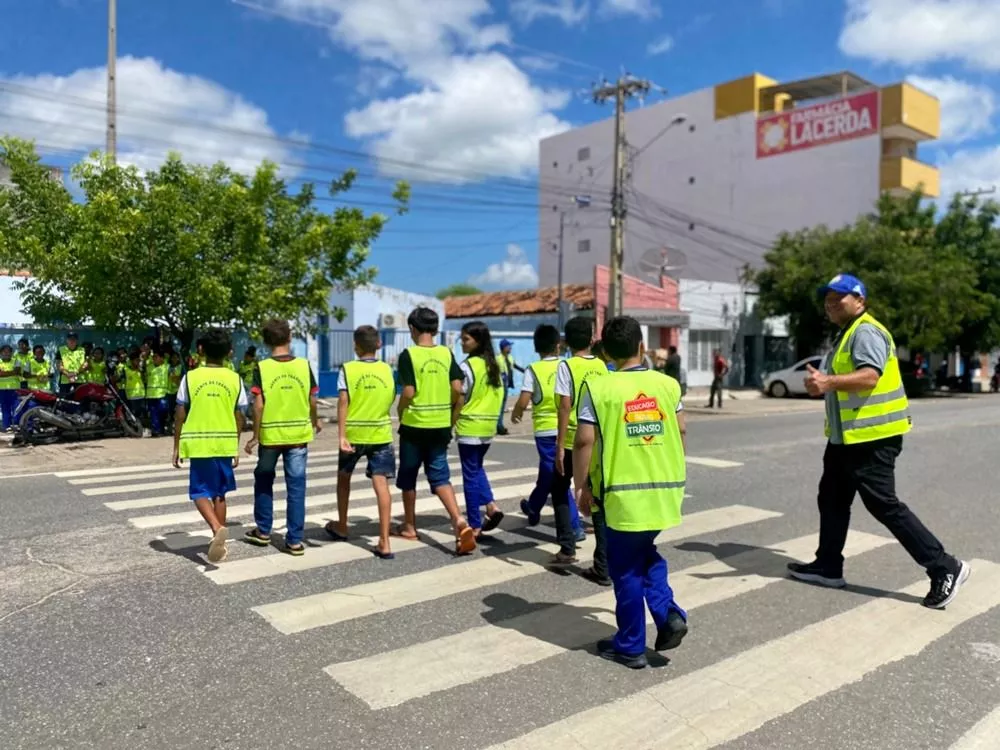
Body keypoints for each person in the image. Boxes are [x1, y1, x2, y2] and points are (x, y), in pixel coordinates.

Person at [788, 273, 970, 609]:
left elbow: (870, 376)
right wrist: (825, 384)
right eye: (827, 298)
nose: (830, 303)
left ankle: (945, 566)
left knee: (884, 505)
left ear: (859, 300)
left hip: (872, 438)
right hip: (847, 439)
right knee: (831, 498)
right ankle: (828, 565)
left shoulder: (866, 330)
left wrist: (827, 382)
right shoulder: (846, 334)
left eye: (838, 297)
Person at [573, 315, 689, 669]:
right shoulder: (668, 385)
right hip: (666, 490)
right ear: (641, 346)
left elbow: (584, 440)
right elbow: (682, 431)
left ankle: (631, 645)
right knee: (644, 553)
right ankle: (667, 612)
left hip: (622, 495)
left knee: (624, 568)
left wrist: (580, 486)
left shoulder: (599, 388)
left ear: (606, 351)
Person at [395, 306, 477, 555]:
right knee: (440, 476)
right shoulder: (446, 353)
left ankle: (410, 526)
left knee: (408, 478)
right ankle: (459, 521)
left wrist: (400, 410)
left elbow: (408, 392)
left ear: (412, 328)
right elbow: (457, 389)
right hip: (441, 425)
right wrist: (452, 418)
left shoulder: (408, 355)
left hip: (415, 425)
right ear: (435, 328)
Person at [244, 319, 321, 557]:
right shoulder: (303, 366)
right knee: (296, 486)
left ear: (266, 342)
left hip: (271, 437)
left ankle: (264, 530)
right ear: (290, 337)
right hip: (298, 436)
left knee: (264, 478)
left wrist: (255, 436)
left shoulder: (263, 367)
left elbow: (258, 405)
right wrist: (315, 420)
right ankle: (295, 540)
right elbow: (312, 399)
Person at [172, 328, 247, 564]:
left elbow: (180, 413)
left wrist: (176, 445)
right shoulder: (235, 379)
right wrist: (236, 445)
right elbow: (239, 415)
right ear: (229, 352)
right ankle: (219, 541)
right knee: (220, 493)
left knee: (198, 491)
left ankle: (216, 528)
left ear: (200, 349)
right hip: (225, 443)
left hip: (199, 442)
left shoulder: (190, 377)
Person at [328, 325, 396, 560]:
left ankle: (343, 525)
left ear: (355, 346)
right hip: (380, 434)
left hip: (354, 434)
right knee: (381, 485)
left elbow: (343, 401)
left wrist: (341, 435)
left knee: (344, 478)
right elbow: (390, 397)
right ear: (378, 344)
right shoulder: (387, 369)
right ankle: (384, 541)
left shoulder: (348, 369)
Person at [512, 324, 584, 542]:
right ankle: (533, 506)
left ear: (536, 348)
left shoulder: (533, 369)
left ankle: (573, 526)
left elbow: (524, 399)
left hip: (545, 430)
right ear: (558, 346)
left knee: (557, 476)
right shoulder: (567, 365)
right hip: (569, 426)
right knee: (554, 473)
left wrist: (517, 412)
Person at [552, 316, 609, 569]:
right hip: (598, 437)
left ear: (566, 341)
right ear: (591, 338)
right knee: (596, 495)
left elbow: (565, 406)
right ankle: (603, 559)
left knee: (560, 488)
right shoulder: (602, 366)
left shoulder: (566, 366)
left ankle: (567, 547)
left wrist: (559, 445)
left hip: (574, 437)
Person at [455, 321, 506, 539]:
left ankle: (475, 523)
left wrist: (450, 422)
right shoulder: (493, 365)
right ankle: (491, 506)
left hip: (469, 425)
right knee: (476, 468)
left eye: (466, 339)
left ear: (478, 341)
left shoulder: (467, 367)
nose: (462, 343)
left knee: (469, 475)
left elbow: (459, 398)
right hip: (487, 427)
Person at [496, 339, 524, 436]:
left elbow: (515, 366)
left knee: (502, 406)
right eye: (508, 346)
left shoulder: (510, 358)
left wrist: (525, 371)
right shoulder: (498, 358)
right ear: (504, 348)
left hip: (506, 384)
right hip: (500, 385)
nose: (510, 348)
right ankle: (499, 427)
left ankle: (499, 425)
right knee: (500, 406)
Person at [145, 350, 170, 437]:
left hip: (162, 394)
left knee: (163, 411)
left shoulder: (166, 367)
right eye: (153, 357)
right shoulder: (149, 367)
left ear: (161, 358)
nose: (154, 358)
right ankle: (156, 431)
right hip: (151, 395)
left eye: (156, 356)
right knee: (153, 413)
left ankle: (162, 428)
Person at [56, 332, 86, 397]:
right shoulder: (61, 350)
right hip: (65, 379)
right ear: (67, 340)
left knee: (81, 399)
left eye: (74, 339)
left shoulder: (82, 350)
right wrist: (68, 374)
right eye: (70, 339)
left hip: (79, 379)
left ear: (77, 341)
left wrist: (76, 373)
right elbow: (59, 365)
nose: (72, 341)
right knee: (63, 399)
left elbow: (85, 364)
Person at [0, 345, 18, 432]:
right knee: (5, 408)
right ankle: (6, 426)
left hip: (15, 389)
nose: (6, 353)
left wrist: (4, 373)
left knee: (16, 407)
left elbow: (17, 371)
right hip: (2, 389)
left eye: (8, 352)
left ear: (11, 353)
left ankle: (16, 425)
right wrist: (12, 372)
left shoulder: (16, 361)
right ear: (1, 353)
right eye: (4, 352)